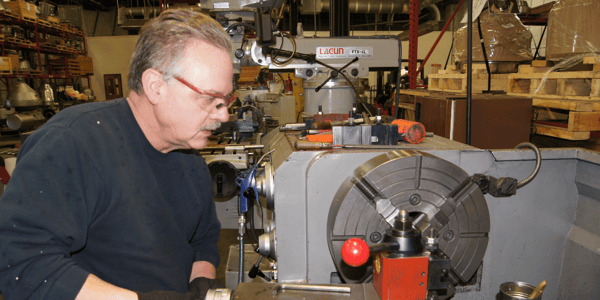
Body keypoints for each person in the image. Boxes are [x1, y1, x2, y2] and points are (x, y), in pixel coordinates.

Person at [0, 9, 233, 300]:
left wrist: (203, 285)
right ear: (155, 86)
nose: (223, 116)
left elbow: (204, 240)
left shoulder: (190, 161)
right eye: (210, 99)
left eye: (226, 100)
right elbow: (21, 264)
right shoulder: (73, 144)